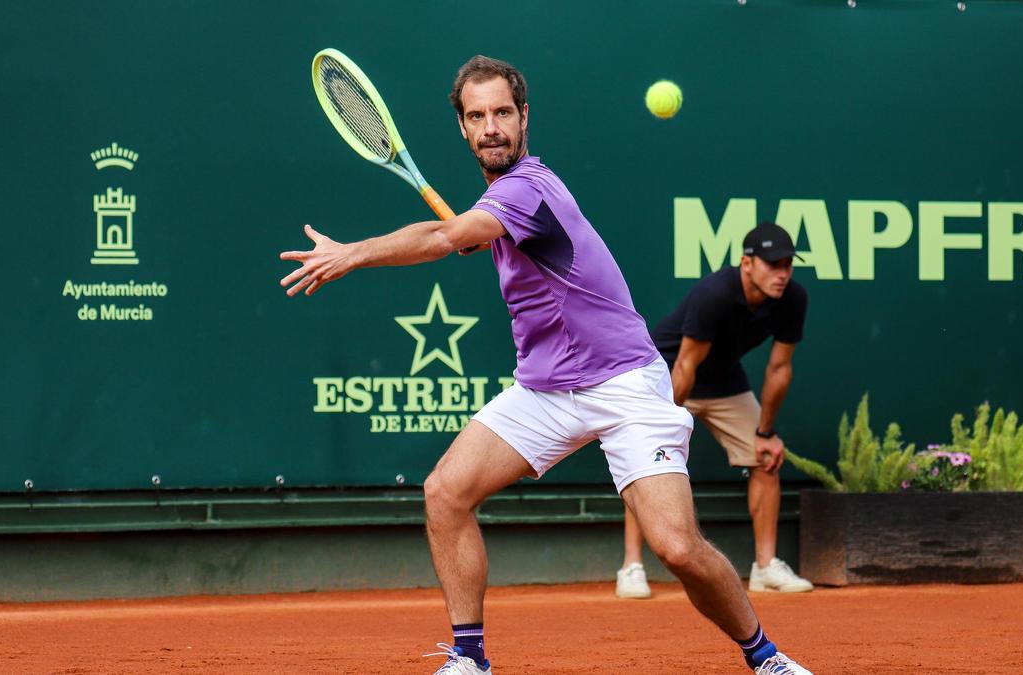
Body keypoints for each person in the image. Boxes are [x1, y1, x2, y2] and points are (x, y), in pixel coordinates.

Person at [279, 55, 812, 675]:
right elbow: (473, 234)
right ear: (463, 128)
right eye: (476, 116)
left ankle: (765, 656)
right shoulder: (499, 202)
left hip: (623, 382)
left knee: (677, 547)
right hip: (545, 390)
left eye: (502, 112)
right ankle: (469, 656)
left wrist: (354, 253)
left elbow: (445, 238)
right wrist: (469, 232)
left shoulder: (530, 186)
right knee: (445, 493)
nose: (491, 127)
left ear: (523, 116)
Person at [616, 222, 814, 599]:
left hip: (724, 381)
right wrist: (662, 426)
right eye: (774, 264)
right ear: (746, 263)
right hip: (668, 374)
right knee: (647, 463)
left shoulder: (793, 298)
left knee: (766, 458)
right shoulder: (715, 293)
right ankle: (631, 566)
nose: (782, 274)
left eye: (788, 265)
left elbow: (779, 368)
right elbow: (686, 365)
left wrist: (765, 432)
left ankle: (765, 566)